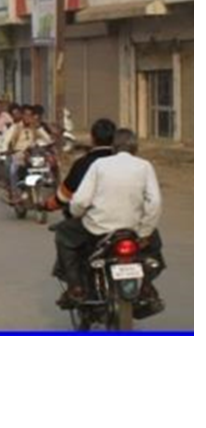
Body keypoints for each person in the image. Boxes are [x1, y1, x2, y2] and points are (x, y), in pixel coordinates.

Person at [55, 130, 164, 310]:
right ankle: (146, 286)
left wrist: (76, 213)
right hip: (133, 230)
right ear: (135, 147)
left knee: (64, 233)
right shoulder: (145, 166)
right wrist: (145, 231)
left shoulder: (99, 165)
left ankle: (76, 287)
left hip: (98, 229)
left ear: (114, 147)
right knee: (154, 249)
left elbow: (81, 200)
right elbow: (155, 202)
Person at [5, 105, 54, 192]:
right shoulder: (15, 127)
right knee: (13, 170)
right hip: (19, 153)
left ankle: (49, 181)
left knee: (48, 162)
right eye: (26, 115)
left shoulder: (35, 127)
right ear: (22, 115)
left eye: (30, 115)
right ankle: (15, 192)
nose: (28, 117)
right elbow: (6, 140)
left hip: (33, 154)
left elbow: (48, 139)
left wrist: (38, 127)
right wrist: (4, 150)